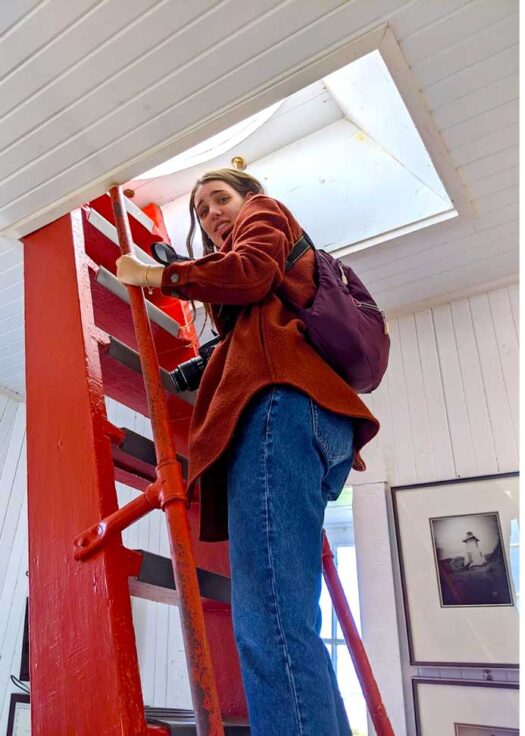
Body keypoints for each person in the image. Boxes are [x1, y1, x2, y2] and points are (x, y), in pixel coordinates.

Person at [115, 168, 379, 736]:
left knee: (271, 627)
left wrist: (159, 274)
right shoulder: (256, 283)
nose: (212, 214)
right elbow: (258, 317)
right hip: (312, 421)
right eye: (202, 210)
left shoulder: (265, 214)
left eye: (221, 199)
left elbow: (251, 273)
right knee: (290, 622)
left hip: (278, 413)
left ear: (249, 198)